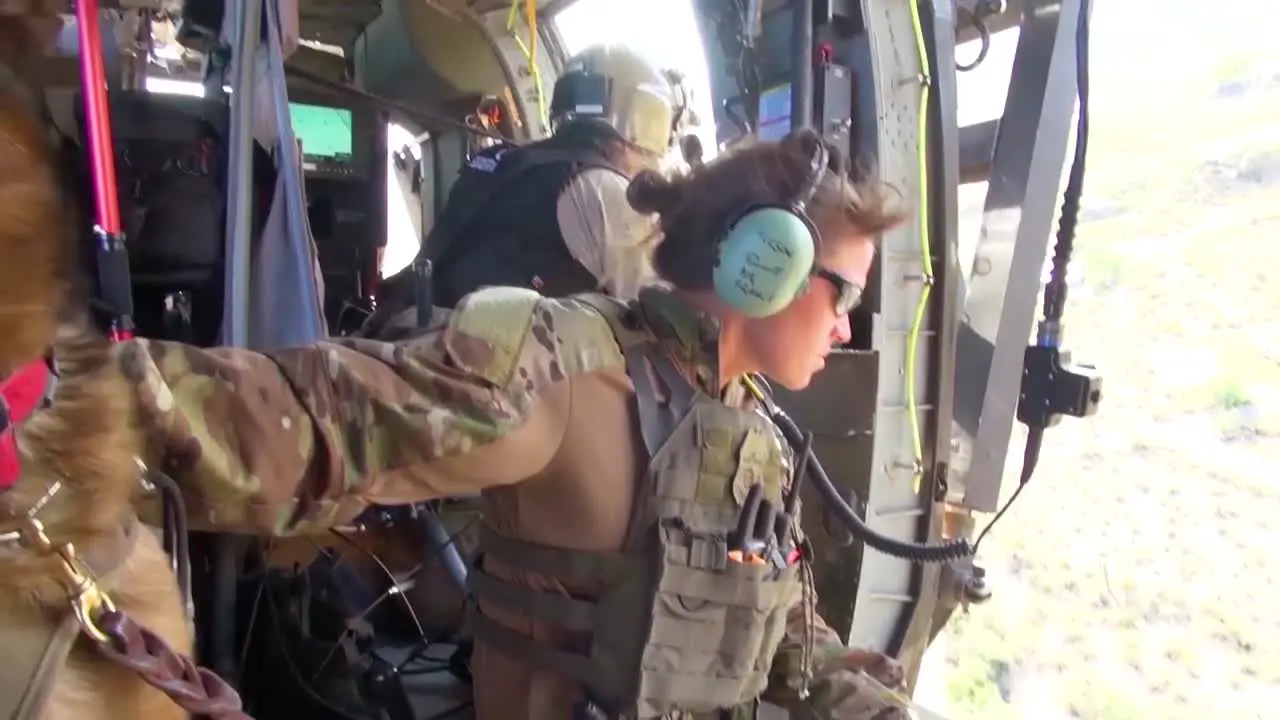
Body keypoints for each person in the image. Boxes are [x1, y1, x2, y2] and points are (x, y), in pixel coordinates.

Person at [115, 127, 912, 719]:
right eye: (844, 294)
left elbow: (781, 638)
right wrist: (76, 406)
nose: (846, 326)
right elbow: (303, 422)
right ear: (765, 262)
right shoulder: (569, 369)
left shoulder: (756, 435)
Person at [371, 44, 692, 338]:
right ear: (638, 120)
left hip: (415, 337)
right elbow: (655, 327)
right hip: (473, 375)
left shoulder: (500, 162)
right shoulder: (607, 190)